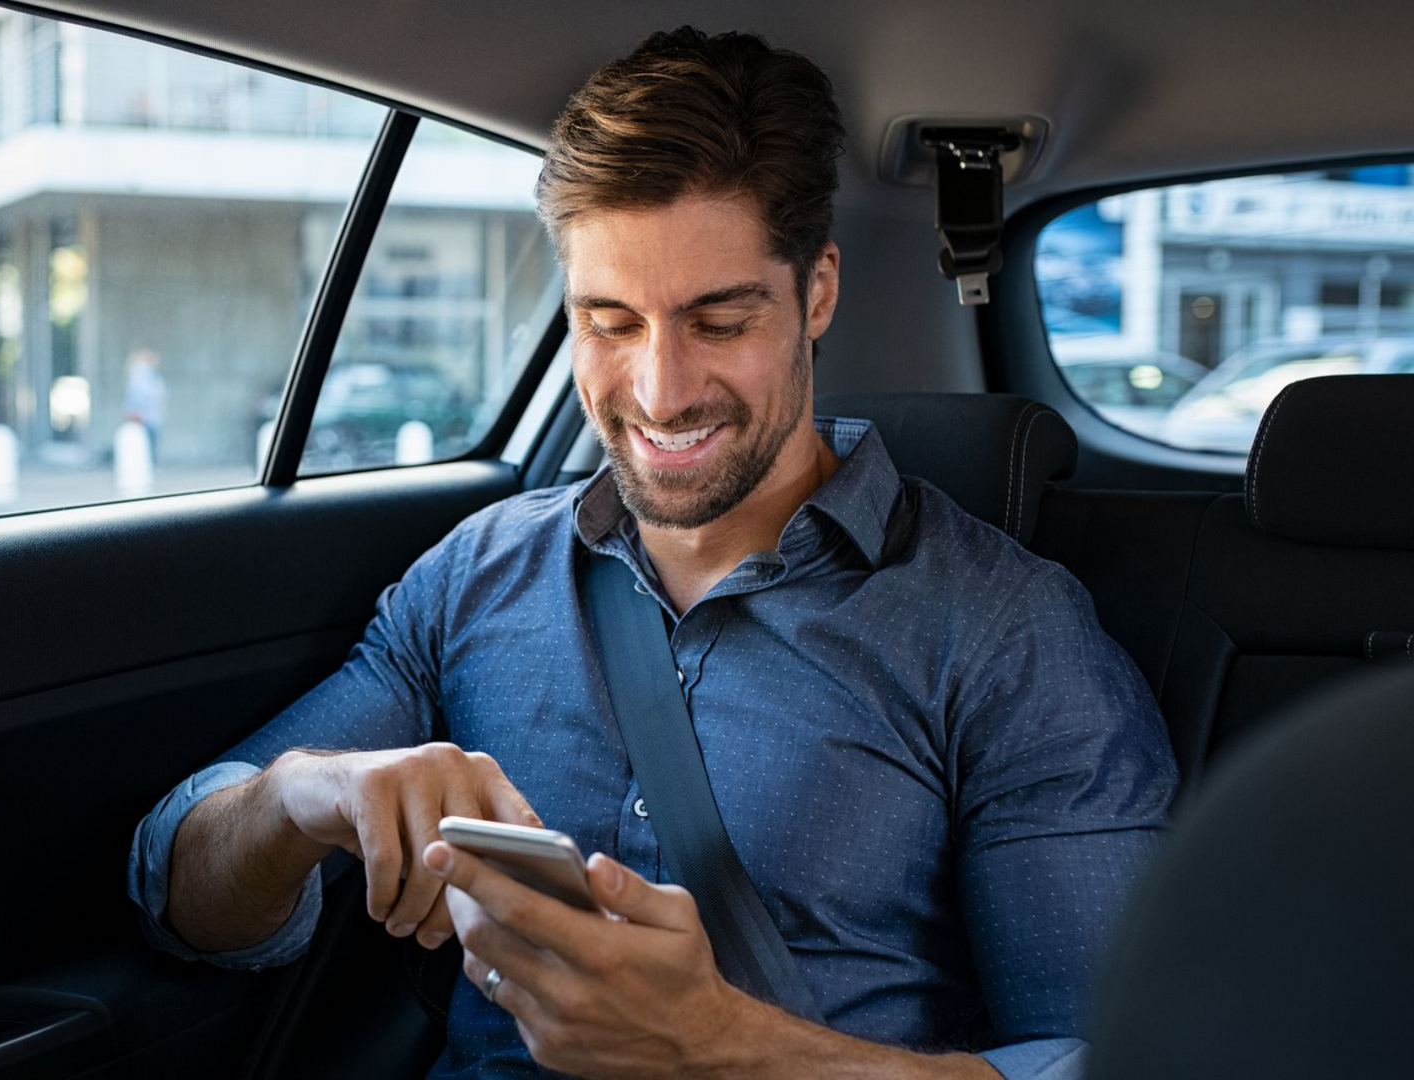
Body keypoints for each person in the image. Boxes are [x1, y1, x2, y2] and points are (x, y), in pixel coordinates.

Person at [129, 26, 1175, 1080]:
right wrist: (309, 792)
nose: (661, 389)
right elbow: (184, 900)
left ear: (815, 293)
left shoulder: (1005, 631)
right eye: (611, 321)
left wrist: (726, 1046)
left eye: (719, 320)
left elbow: (1114, 1059)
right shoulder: (476, 577)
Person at [121, 345, 167, 454]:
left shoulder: (146, 374)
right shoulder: (140, 374)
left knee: (148, 446)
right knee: (147, 447)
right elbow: (140, 396)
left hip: (149, 416)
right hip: (144, 417)